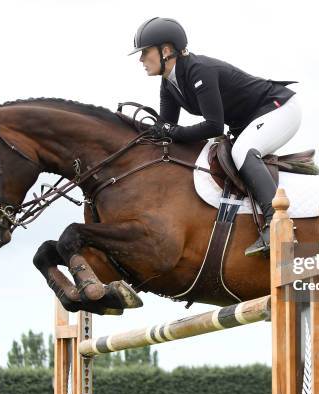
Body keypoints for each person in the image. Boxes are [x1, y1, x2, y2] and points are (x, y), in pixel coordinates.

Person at [129, 17, 302, 256]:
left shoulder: (200, 71)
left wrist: (171, 131)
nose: (140, 59)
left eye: (145, 52)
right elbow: (166, 127)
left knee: (243, 152)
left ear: (166, 50)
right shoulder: (168, 83)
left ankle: (279, 224)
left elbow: (214, 127)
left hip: (279, 108)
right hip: (252, 119)